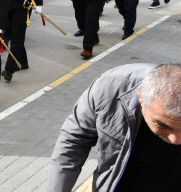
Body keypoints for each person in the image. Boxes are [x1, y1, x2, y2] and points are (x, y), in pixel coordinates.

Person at [48, 63, 180, 191]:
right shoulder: (108, 90)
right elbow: (74, 141)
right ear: (141, 99)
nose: (176, 140)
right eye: (162, 125)